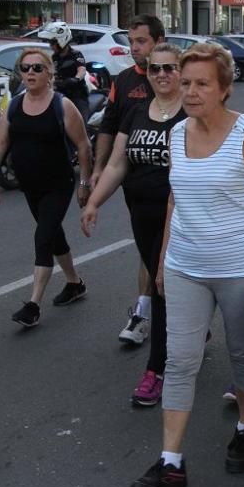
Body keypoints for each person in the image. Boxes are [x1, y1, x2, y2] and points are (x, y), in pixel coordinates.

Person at [128, 43, 244, 487]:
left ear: (224, 90)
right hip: (185, 267)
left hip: (241, 265)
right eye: (186, 81)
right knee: (179, 361)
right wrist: (161, 262)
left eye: (202, 84)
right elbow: (175, 201)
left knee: (242, 353)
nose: (191, 91)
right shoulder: (176, 134)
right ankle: (171, 463)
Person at [81, 43, 185, 406]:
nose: (161, 75)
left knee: (160, 289)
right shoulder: (137, 111)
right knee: (167, 291)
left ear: (181, 71)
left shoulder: (190, 114)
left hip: (179, 220)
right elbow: (117, 164)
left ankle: (156, 370)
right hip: (140, 216)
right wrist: (94, 202)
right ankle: (191, 327)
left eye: (170, 68)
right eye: (155, 69)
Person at [0, 48, 92, 328]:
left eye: (37, 68)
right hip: (30, 186)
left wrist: (84, 184)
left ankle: (33, 305)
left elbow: (83, 146)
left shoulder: (62, 105)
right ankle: (74, 283)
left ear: (49, 73)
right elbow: (1, 139)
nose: (30, 73)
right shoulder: (14, 105)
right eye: (25, 68)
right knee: (53, 235)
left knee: (43, 237)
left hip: (58, 185)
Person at [93, 14, 166, 347]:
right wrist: (96, 171)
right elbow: (109, 126)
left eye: (141, 41)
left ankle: (153, 315)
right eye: (131, 41)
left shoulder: (171, 79)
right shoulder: (122, 81)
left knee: (163, 254)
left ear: (158, 41)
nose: (134, 48)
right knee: (147, 251)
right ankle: (148, 312)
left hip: (172, 186)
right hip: (134, 182)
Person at [37, 21, 90, 125]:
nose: (50, 46)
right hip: (59, 95)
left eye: (53, 42)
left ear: (61, 40)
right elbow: (48, 73)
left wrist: (75, 79)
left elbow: (82, 70)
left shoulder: (76, 54)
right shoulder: (54, 58)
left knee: (81, 124)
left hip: (77, 97)